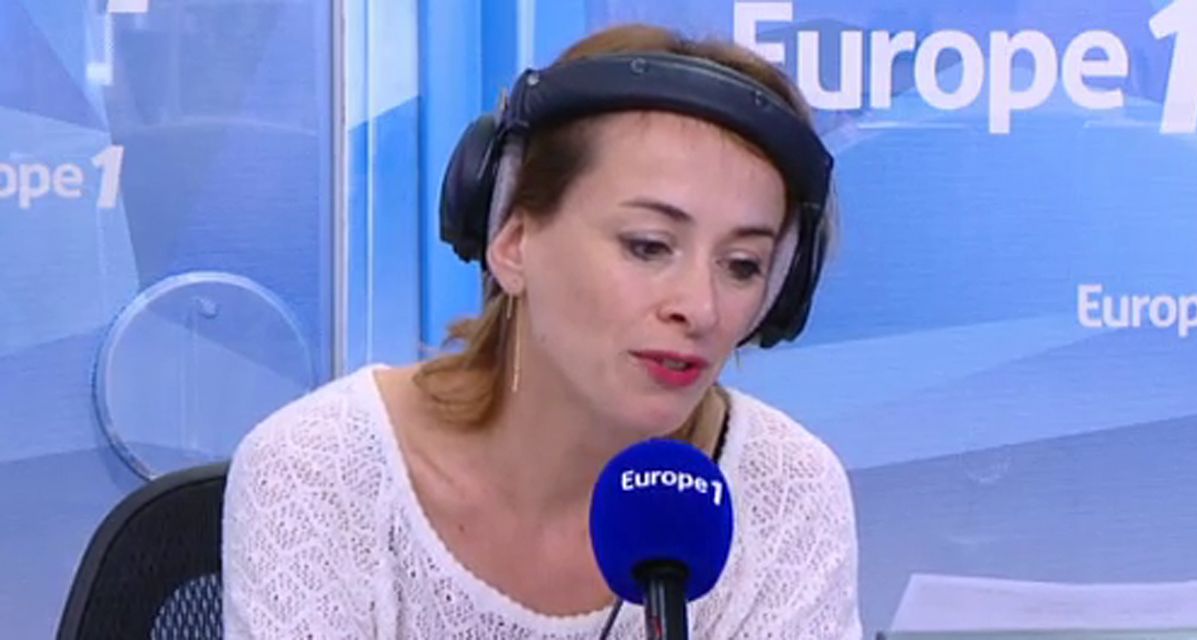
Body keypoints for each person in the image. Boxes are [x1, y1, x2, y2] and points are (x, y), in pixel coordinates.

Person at [222, 23, 861, 639]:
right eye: (648, 245)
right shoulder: (321, 471)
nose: (700, 308)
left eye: (742, 265)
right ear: (513, 240)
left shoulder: (786, 490)